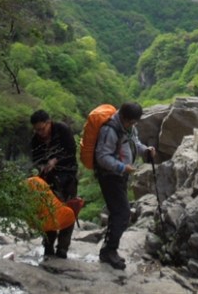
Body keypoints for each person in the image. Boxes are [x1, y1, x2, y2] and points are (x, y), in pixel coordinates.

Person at [94, 102, 155, 270]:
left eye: (135, 122)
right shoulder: (110, 130)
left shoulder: (128, 127)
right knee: (122, 213)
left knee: (118, 212)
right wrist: (122, 167)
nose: (133, 125)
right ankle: (109, 251)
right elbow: (102, 157)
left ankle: (108, 250)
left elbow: (134, 142)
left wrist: (145, 150)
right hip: (109, 176)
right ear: (123, 117)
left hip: (120, 176)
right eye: (131, 122)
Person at [29, 109, 79, 259]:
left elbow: (71, 149)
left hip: (68, 173)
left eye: (42, 129)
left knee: (68, 209)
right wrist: (42, 166)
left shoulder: (62, 130)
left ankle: (63, 248)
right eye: (37, 130)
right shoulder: (35, 140)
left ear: (48, 123)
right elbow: (36, 159)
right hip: (48, 178)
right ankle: (48, 245)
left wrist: (55, 160)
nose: (40, 133)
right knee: (48, 210)